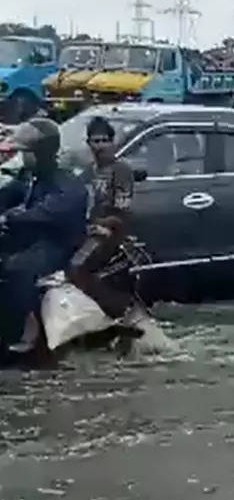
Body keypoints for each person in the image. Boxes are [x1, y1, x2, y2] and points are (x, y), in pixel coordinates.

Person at [0, 118, 89, 360]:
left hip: (58, 244)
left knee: (17, 268)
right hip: (29, 238)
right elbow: (7, 194)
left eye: (25, 152)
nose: (21, 157)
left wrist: (11, 218)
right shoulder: (30, 176)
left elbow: (47, 213)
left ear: (41, 152)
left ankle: (29, 329)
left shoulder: (66, 183)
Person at [67, 116, 135, 319]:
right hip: (87, 229)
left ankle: (101, 314)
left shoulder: (121, 170)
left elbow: (122, 210)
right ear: (88, 144)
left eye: (104, 140)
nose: (100, 146)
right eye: (95, 141)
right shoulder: (87, 172)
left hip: (112, 231)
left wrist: (99, 225)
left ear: (112, 142)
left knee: (77, 266)